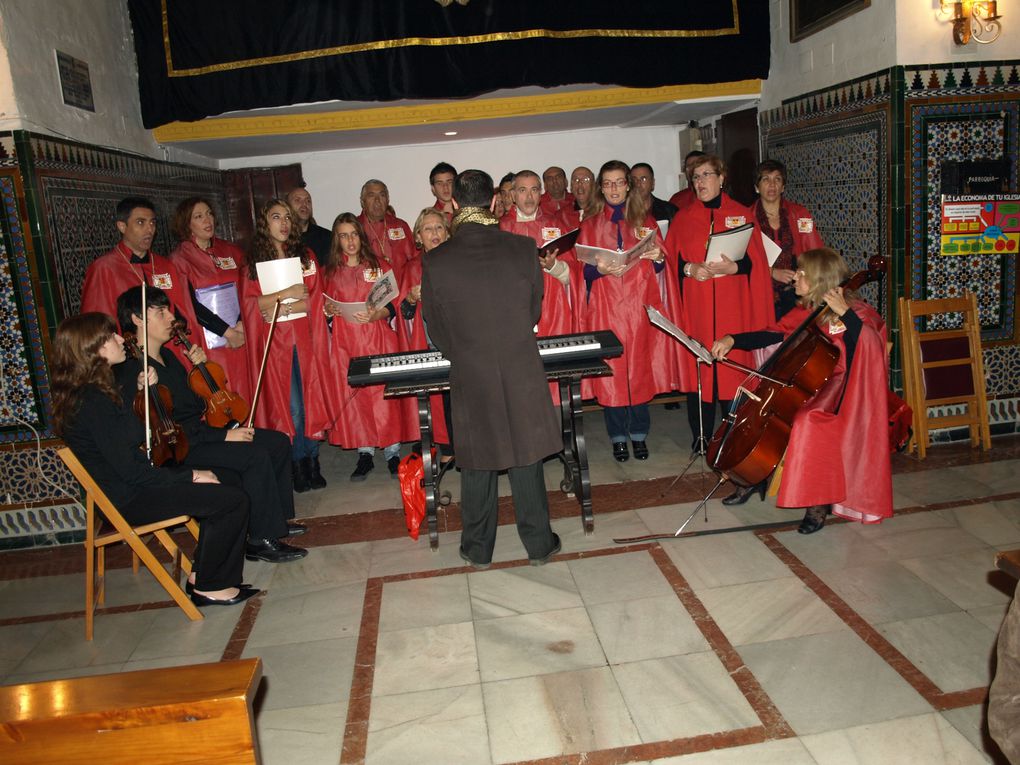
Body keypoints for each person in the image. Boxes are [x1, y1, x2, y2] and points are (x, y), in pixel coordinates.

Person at [52, 312, 256, 606]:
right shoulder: (92, 402)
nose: (122, 339)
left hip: (134, 486)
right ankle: (212, 586)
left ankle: (203, 573)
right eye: (112, 337)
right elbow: (131, 472)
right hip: (130, 499)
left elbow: (134, 438)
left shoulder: (95, 392)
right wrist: (190, 475)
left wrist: (139, 393)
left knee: (230, 480)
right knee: (231, 499)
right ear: (92, 351)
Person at [421, 169, 561, 569]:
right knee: (526, 453)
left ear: (455, 205)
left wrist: (465, 351)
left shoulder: (437, 260)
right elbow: (533, 311)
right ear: (495, 202)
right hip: (519, 362)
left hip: (471, 367)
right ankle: (538, 544)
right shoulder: (522, 248)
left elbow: (437, 326)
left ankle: (478, 548)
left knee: (478, 457)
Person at [114, 285, 307, 563]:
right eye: (161, 312)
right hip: (180, 447)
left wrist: (200, 371)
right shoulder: (135, 369)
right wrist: (225, 438)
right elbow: (166, 426)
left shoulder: (168, 357)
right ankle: (260, 538)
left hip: (200, 434)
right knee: (253, 455)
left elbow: (194, 405)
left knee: (276, 442)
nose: (171, 317)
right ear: (136, 319)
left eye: (168, 310)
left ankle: (275, 520)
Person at [710, 247, 892, 532]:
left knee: (808, 420)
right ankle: (753, 475)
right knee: (763, 402)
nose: (795, 277)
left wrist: (848, 317)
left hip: (845, 385)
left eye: (802, 273)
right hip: (811, 381)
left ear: (819, 278)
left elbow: (869, 347)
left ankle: (818, 505)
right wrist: (733, 339)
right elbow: (776, 333)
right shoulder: (810, 307)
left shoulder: (857, 311)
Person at [665, 154, 773, 460]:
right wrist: (689, 270)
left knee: (731, 372)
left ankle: (731, 436)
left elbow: (757, 264)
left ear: (721, 178)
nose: (700, 182)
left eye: (706, 175)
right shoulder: (683, 218)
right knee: (698, 370)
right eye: (695, 177)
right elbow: (673, 262)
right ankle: (700, 437)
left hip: (732, 308)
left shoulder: (742, 215)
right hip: (696, 309)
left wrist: (734, 269)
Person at [577, 160, 678, 462]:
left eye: (619, 182)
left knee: (639, 370)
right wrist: (598, 269)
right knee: (612, 375)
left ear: (628, 185)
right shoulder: (590, 224)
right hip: (606, 308)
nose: (613, 189)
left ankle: (639, 434)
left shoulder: (645, 222)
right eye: (607, 183)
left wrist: (659, 256)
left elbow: (662, 267)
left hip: (637, 307)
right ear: (601, 188)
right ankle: (617, 437)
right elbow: (581, 271)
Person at [240, 199, 335, 491]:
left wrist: (283, 304)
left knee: (310, 402)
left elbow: (314, 297)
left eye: (287, 218)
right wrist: (287, 293)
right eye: (275, 217)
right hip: (276, 346)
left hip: (304, 339)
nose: (283, 223)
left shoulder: (305, 256)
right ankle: (297, 463)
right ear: (264, 223)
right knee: (291, 407)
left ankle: (313, 461)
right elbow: (250, 304)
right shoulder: (254, 262)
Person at [322, 213, 408, 481]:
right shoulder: (331, 273)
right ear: (337, 239)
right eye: (343, 235)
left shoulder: (380, 266)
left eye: (354, 234)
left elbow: (395, 303)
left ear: (361, 236)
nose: (350, 240)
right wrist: (328, 310)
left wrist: (377, 314)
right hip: (348, 343)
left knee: (384, 398)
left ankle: (393, 452)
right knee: (357, 399)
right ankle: (365, 453)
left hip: (378, 338)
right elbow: (324, 309)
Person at [81, 196, 200, 369]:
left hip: (171, 355)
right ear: (122, 226)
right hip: (131, 359)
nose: (149, 229)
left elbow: (183, 310)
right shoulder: (104, 268)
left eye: (152, 223)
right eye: (140, 222)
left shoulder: (165, 265)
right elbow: (95, 326)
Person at [169, 197, 252, 403]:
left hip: (242, 333)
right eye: (198, 216)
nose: (208, 220)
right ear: (187, 224)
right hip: (211, 341)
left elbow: (247, 287)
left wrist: (241, 324)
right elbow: (188, 304)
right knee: (225, 393)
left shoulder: (231, 251)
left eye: (209, 214)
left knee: (248, 388)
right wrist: (227, 332)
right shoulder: (180, 259)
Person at [400, 208, 454, 461]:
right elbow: (403, 314)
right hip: (430, 343)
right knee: (440, 398)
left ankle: (462, 445)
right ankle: (447, 446)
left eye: (440, 227)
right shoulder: (412, 268)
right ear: (419, 236)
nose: (435, 233)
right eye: (428, 228)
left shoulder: (459, 260)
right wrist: (411, 298)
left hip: (461, 340)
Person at [499, 170, 577, 340]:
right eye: (522, 190)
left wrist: (554, 266)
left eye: (534, 190)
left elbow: (574, 276)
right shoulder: (500, 229)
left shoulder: (556, 225)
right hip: (513, 307)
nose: (529, 196)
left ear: (540, 194)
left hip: (552, 306)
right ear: (512, 195)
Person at [752, 159, 825, 318]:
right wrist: (771, 271)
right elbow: (741, 260)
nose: (772, 185)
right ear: (757, 187)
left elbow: (815, 253)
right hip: (758, 290)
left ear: (783, 186)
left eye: (777, 179)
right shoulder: (746, 217)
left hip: (794, 290)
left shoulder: (799, 214)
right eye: (766, 179)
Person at [357, 179, 414, 283]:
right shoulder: (354, 228)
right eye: (371, 195)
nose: (377, 200)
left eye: (382, 195)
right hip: (365, 293)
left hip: (401, 294)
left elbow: (414, 261)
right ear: (362, 201)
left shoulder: (401, 226)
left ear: (388, 200)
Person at [284, 185, 333, 266]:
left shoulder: (328, 237)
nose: (304, 204)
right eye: (297, 200)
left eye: (308, 201)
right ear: (287, 207)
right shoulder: (282, 239)